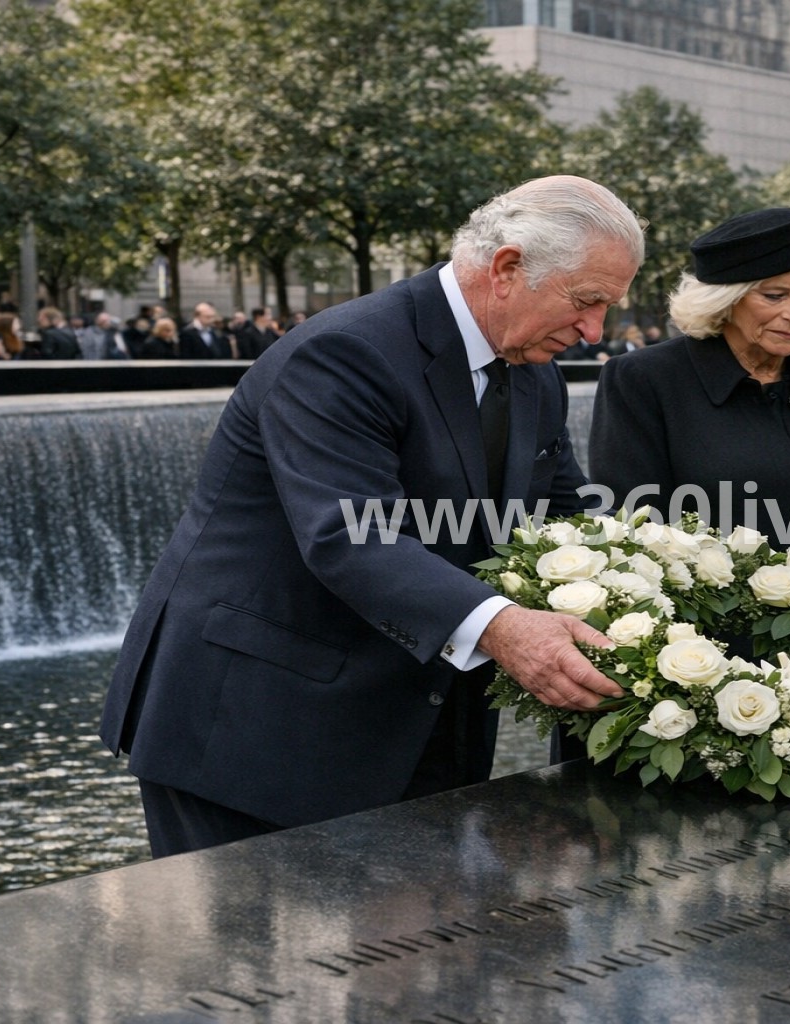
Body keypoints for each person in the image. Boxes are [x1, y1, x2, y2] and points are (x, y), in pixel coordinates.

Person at [99, 175, 644, 857]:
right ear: (507, 268)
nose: (595, 332)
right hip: (254, 733)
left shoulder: (535, 371)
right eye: (587, 302)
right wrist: (505, 628)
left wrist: (672, 589)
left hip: (417, 726)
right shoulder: (345, 352)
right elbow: (352, 536)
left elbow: (569, 518)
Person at [590, 205, 790, 612]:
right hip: (707, 637)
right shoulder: (643, 379)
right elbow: (638, 530)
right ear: (728, 297)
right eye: (774, 295)